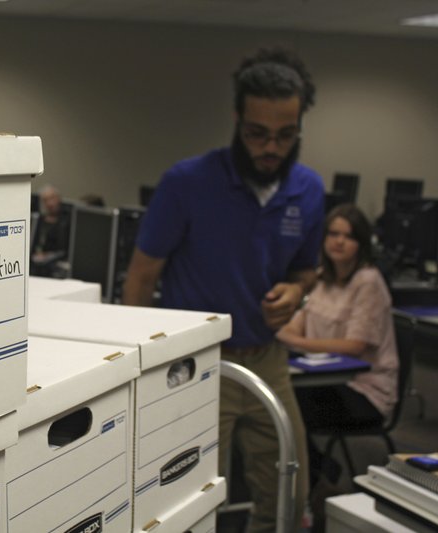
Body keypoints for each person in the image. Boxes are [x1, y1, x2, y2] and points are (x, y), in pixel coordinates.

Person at [123, 46, 324, 532]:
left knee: (289, 495)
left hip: (268, 362)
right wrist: (142, 369)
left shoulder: (308, 189)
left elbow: (307, 270)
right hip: (196, 365)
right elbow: (142, 276)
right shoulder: (187, 183)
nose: (270, 147)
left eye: (285, 134)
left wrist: (297, 294)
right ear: (237, 119)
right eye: (257, 134)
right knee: (183, 499)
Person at [277, 203, 398, 531]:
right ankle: (316, 474)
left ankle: (315, 476)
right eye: (333, 234)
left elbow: (355, 346)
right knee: (279, 404)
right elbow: (290, 327)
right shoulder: (321, 280)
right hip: (325, 381)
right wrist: (295, 337)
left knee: (288, 409)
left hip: (365, 392)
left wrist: (300, 343)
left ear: (362, 243)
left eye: (348, 236)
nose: (339, 242)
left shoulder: (368, 281)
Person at [31, 184, 71, 277]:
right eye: (45, 200)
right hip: (37, 262)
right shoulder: (38, 220)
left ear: (59, 198)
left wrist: (48, 256)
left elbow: (65, 248)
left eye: (52, 198)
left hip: (58, 262)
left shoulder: (67, 220)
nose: (50, 203)